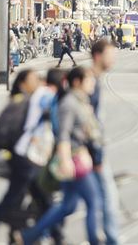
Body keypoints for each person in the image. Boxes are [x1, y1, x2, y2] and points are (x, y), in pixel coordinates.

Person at [15, 67, 103, 245]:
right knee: (94, 202)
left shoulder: (78, 101)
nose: (93, 82)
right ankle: (95, 240)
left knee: (67, 206)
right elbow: (63, 134)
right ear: (77, 82)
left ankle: (28, 236)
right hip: (74, 159)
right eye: (89, 80)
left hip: (75, 157)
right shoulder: (70, 103)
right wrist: (65, 160)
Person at [0, 69, 55, 244]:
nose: (37, 82)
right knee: (16, 198)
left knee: (32, 197)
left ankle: (18, 236)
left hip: (24, 156)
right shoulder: (23, 101)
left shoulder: (27, 100)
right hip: (21, 157)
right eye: (33, 79)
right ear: (22, 84)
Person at [88, 39, 121, 245]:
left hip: (86, 151)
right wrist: (97, 154)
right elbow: (89, 121)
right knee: (108, 197)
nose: (114, 58)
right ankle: (112, 240)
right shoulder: (90, 81)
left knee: (69, 202)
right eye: (111, 54)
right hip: (89, 151)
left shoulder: (94, 79)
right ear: (98, 56)